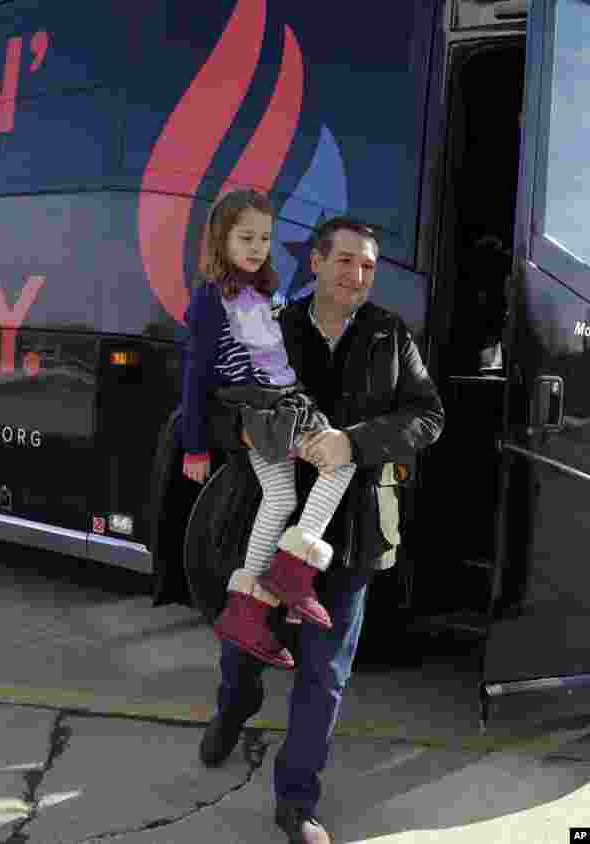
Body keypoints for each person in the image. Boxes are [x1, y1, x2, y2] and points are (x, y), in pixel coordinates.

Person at [195, 216, 444, 844]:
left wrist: (353, 444)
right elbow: (215, 404)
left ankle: (295, 803)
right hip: (270, 516)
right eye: (345, 262)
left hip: (349, 531)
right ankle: (235, 706)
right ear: (315, 262)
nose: (357, 276)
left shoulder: (390, 333)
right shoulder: (271, 328)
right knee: (241, 646)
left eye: (367, 266)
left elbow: (427, 414)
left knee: (324, 674)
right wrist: (243, 432)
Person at [181, 189, 357, 670]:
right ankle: (292, 572)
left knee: (279, 499)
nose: (257, 247)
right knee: (341, 461)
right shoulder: (210, 299)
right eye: (246, 237)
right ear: (221, 240)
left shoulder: (265, 293)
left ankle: (245, 610)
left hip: (279, 405)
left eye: (264, 237)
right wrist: (194, 446)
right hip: (262, 410)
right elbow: (196, 374)